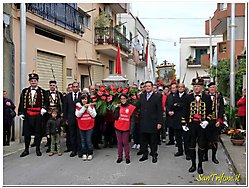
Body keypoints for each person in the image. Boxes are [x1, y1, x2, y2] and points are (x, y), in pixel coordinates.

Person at [181, 75, 212, 174]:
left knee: (202, 146)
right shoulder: (187, 97)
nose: (196, 88)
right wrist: (183, 123)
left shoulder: (207, 98)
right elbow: (184, 112)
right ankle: (193, 164)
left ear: (202, 87)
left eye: (198, 86)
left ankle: (200, 165)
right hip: (191, 124)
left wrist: (207, 121)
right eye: (194, 86)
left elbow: (211, 112)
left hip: (202, 125)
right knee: (191, 145)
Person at [18, 72, 48, 157]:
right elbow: (21, 102)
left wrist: (44, 108)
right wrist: (20, 112)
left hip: (38, 115)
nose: (33, 82)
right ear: (29, 82)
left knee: (38, 133)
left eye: (35, 80)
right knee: (27, 133)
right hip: (28, 115)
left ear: (37, 81)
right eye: (31, 81)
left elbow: (46, 102)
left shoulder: (42, 91)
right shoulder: (24, 91)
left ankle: (38, 149)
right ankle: (26, 149)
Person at [138, 81, 163, 163]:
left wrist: (159, 122)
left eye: (149, 86)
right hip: (143, 121)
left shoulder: (157, 96)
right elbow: (138, 107)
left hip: (153, 122)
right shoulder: (141, 96)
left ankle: (154, 154)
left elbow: (160, 110)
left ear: (152, 87)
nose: (147, 87)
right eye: (146, 86)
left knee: (153, 140)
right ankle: (145, 154)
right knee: (144, 140)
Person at [203, 82, 225, 164]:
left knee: (214, 140)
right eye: (210, 87)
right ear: (208, 89)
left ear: (216, 89)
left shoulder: (219, 97)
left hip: (216, 121)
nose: (212, 89)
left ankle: (214, 157)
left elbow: (221, 110)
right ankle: (205, 156)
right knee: (205, 140)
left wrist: (219, 120)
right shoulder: (205, 97)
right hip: (207, 122)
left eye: (213, 87)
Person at [114, 93, 136, 164]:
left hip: (126, 128)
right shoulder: (118, 107)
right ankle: (119, 157)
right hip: (118, 127)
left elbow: (132, 120)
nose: (123, 100)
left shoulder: (131, 108)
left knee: (126, 143)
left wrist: (131, 130)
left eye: (124, 99)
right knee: (119, 143)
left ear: (127, 99)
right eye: (121, 99)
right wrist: (116, 109)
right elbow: (115, 117)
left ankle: (127, 157)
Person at [75, 94, 97, 161]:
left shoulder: (91, 107)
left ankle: (90, 153)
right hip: (81, 126)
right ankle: (84, 153)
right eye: (83, 99)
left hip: (90, 126)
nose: (84, 100)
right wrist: (84, 108)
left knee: (88, 140)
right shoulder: (78, 107)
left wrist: (89, 107)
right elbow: (78, 115)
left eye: (85, 99)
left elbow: (94, 115)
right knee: (83, 141)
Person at [63, 81, 82, 157]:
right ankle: (74, 150)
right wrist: (65, 119)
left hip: (80, 118)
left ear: (78, 87)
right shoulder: (67, 96)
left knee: (79, 135)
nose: (74, 88)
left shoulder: (82, 96)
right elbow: (65, 108)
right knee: (72, 135)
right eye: (73, 87)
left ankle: (80, 150)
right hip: (71, 118)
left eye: (76, 87)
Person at [44, 80, 63, 153]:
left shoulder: (59, 94)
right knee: (49, 129)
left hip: (57, 113)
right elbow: (44, 102)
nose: (52, 86)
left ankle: (56, 145)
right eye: (51, 85)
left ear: (55, 86)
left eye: (53, 85)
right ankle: (49, 145)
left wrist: (61, 112)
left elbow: (61, 104)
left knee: (57, 129)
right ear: (49, 86)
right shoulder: (46, 93)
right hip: (48, 114)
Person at [171, 83, 189, 158]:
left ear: (184, 88)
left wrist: (178, 105)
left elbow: (186, 106)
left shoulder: (187, 96)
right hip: (176, 119)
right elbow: (172, 106)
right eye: (179, 87)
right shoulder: (174, 96)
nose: (181, 88)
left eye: (182, 87)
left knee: (186, 138)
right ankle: (180, 151)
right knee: (178, 137)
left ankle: (188, 153)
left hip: (185, 119)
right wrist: (178, 105)